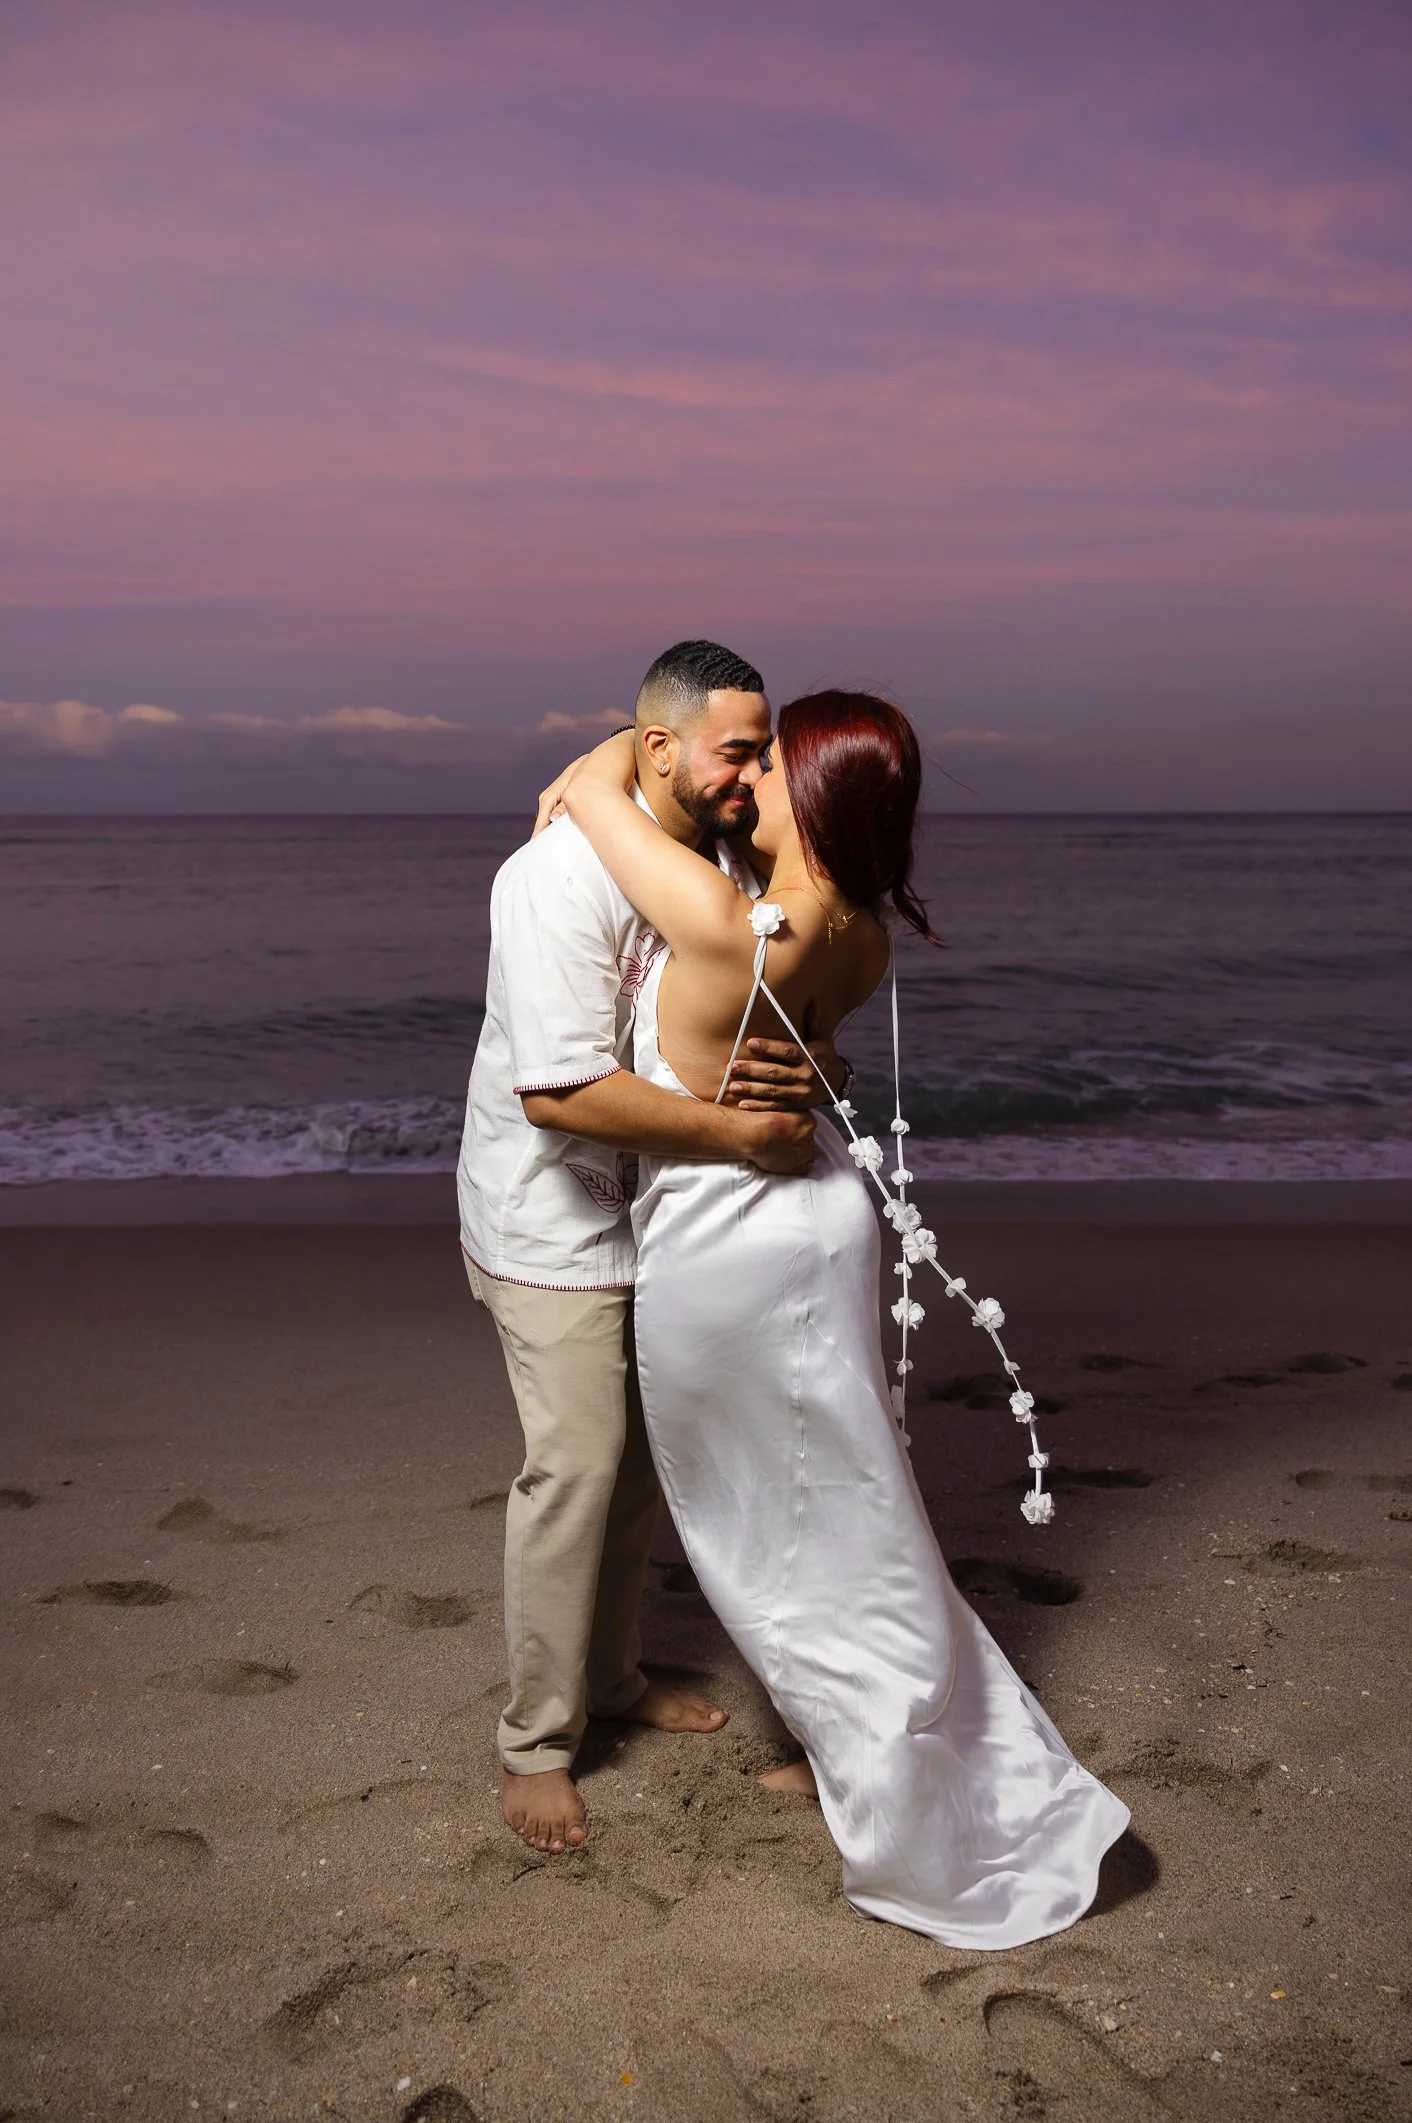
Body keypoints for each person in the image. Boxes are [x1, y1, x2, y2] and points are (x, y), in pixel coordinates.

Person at [556, 691, 1130, 1950]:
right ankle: (862, 1745)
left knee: (755, 1528)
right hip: (816, 1212)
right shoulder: (859, 932)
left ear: (809, 789)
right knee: (844, 1501)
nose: (742, 777)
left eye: (766, 762)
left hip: (729, 1237)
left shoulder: (726, 922)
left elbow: (596, 793)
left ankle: (890, 1778)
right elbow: (803, 1038)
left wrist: (613, 758)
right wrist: (819, 1068)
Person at [458, 641, 844, 1859]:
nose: (757, 773)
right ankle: (536, 1743)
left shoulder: (722, 854)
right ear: (663, 748)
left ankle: (614, 1677)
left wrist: (805, 1067)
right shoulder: (552, 875)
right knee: (576, 1468)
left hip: (670, 1217)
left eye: (764, 751)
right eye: (738, 750)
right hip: (551, 1221)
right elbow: (558, 1091)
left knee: (638, 1471)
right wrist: (742, 1134)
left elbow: (762, 1005)